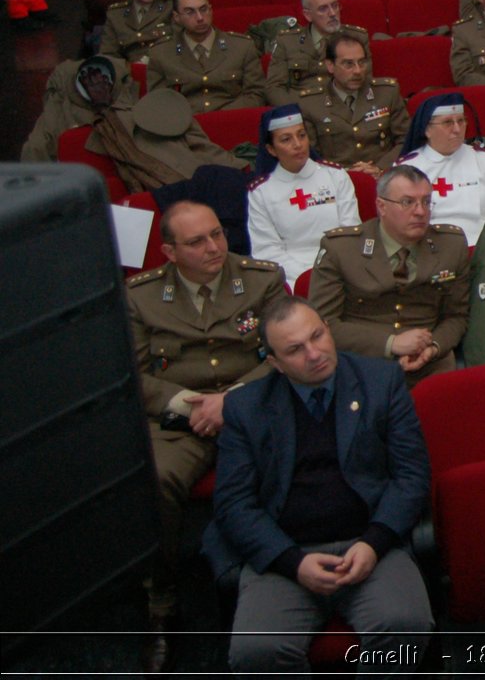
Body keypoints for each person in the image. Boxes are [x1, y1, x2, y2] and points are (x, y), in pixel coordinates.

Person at [204, 298, 432, 674]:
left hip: (369, 543)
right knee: (257, 653)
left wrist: (374, 544)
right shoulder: (246, 407)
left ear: (328, 328)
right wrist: (293, 562)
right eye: (295, 349)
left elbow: (411, 476)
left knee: (403, 626)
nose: (314, 354)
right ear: (274, 363)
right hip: (286, 552)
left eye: (317, 336)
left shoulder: (380, 381)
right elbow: (233, 504)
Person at [122, 201, 286, 671]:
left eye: (217, 234)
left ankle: (282, 580)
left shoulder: (261, 278)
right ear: (169, 251)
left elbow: (284, 350)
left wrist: (230, 400)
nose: (214, 247)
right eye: (197, 241)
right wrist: (185, 404)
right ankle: (162, 601)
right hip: (181, 418)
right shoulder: (139, 296)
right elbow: (128, 375)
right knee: (155, 480)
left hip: (254, 406)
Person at [309, 164, 469, 385]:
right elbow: (322, 325)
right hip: (362, 364)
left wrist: (433, 347)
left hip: (430, 363)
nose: (421, 211)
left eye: (426, 201)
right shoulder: (342, 249)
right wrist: (390, 343)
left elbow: (457, 316)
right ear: (381, 206)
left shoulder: (450, 244)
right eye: (408, 202)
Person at [246, 105, 360, 281]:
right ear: (271, 149)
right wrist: (307, 277)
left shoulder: (335, 175)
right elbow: (267, 250)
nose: (297, 145)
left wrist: (330, 270)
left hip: (341, 268)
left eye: (301, 135)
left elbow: (350, 231)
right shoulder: (261, 192)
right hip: (290, 277)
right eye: (286, 139)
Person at [395, 93, 485, 239]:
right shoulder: (408, 168)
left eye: (461, 121)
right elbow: (402, 222)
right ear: (427, 129)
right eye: (448, 123)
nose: (457, 129)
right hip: (431, 251)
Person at [297, 33, 411, 175]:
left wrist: (381, 167)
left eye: (361, 62)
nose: (357, 71)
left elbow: (406, 139)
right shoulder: (311, 103)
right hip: (336, 181)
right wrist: (343, 174)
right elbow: (310, 155)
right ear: (330, 66)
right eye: (348, 64)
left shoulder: (387, 93)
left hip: (383, 177)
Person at [145, 0, 267, 114]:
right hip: (185, 126)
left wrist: (222, 117)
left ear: (211, 10)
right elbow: (158, 101)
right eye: (190, 12)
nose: (200, 18)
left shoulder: (241, 46)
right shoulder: (161, 53)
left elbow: (256, 94)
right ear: (176, 17)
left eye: (203, 9)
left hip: (231, 121)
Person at [266, 0, 370, 106]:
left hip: (343, 109)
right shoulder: (287, 41)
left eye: (335, 6)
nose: (332, 13)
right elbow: (274, 88)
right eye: (323, 9)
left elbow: (364, 82)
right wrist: (295, 113)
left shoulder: (356, 37)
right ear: (308, 15)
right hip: (302, 111)